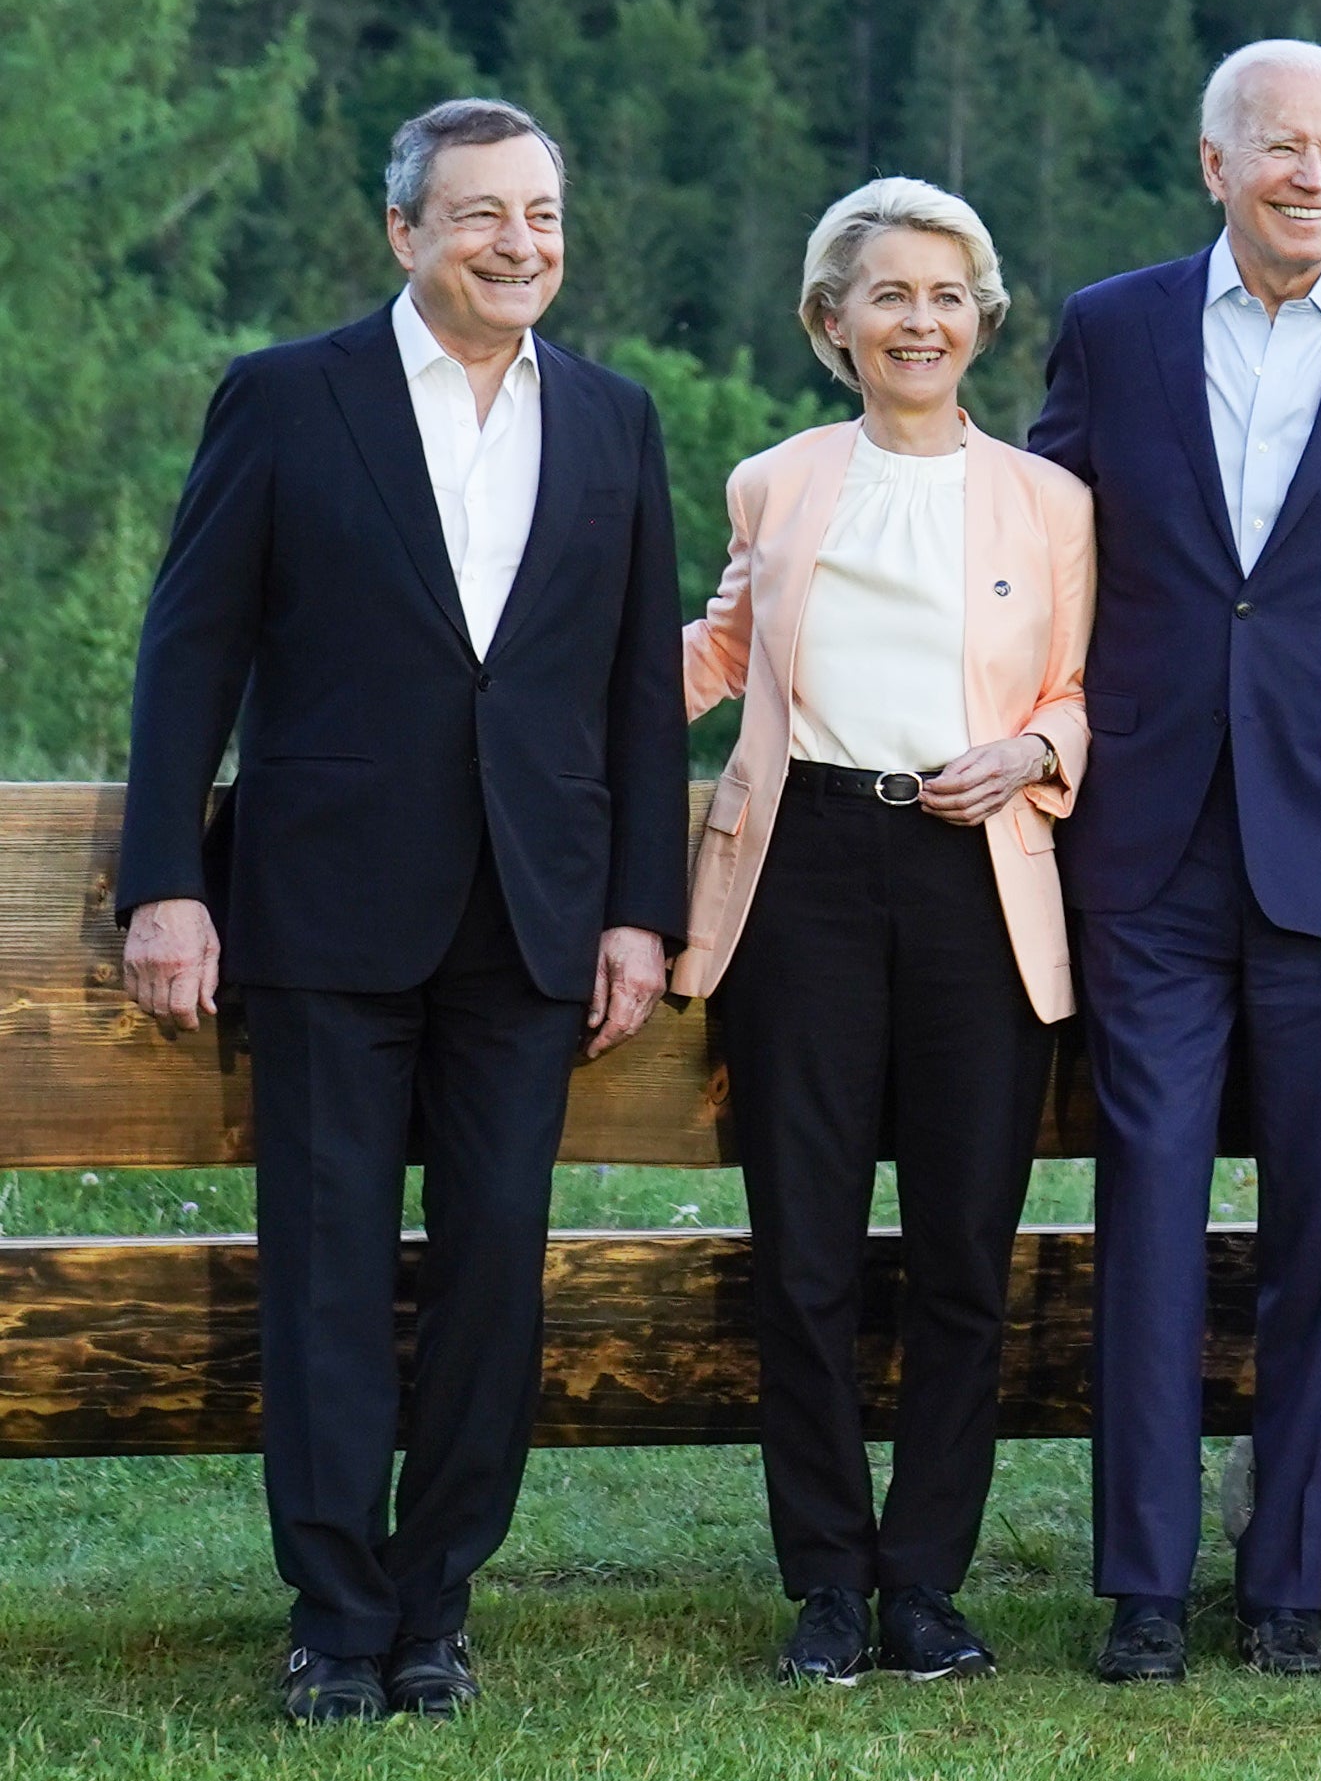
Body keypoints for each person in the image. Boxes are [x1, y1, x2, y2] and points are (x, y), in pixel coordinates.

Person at [114, 100, 686, 1725]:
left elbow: (641, 695)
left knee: (496, 1271)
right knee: (325, 1271)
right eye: (482, 215)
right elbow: (189, 651)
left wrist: (637, 910)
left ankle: (438, 1606)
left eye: (544, 217)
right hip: (320, 910)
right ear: (404, 233)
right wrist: (165, 877)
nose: (520, 244)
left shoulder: (613, 418)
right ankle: (332, 1612)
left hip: (533, 922)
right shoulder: (292, 398)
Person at [1027, 40, 1321, 1681]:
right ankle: (1143, 1588)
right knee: (1146, 1219)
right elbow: (1036, 558)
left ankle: (1289, 1584)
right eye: (1282, 147)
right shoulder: (1113, 328)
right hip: (1145, 855)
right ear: (1215, 161)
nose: (1315, 175)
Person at [673, 179, 1095, 1686]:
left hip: (974, 870)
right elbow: (720, 651)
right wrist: (524, 703)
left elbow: (1077, 687)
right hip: (802, 874)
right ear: (830, 322)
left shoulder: (1051, 502)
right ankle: (825, 1586)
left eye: (946, 294)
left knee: (965, 1248)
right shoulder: (774, 482)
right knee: (803, 1247)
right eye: (888, 296)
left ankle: (925, 1583)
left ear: (980, 319)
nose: (919, 320)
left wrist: (1039, 755)